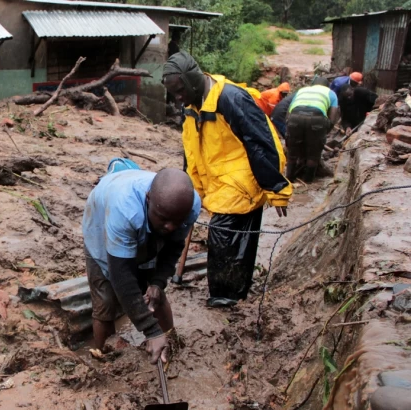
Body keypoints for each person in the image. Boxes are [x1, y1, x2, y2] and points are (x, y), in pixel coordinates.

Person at [162, 51, 292, 307]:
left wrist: (276, 188)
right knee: (236, 245)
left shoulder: (231, 98)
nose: (178, 98)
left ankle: (225, 299)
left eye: (180, 91)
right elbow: (191, 149)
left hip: (242, 181)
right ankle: (235, 293)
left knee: (223, 236)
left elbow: (262, 143)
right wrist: (192, 187)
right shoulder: (190, 105)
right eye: (173, 93)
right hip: (217, 182)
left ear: (192, 80)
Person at [82, 164, 201, 364]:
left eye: (176, 221)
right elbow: (122, 277)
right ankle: (106, 360)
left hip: (144, 219)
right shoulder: (125, 211)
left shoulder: (188, 207)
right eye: (164, 219)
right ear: (148, 199)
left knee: (155, 296)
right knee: (106, 300)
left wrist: (157, 282)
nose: (171, 226)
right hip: (102, 221)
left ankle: (168, 346)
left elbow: (173, 247)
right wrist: (151, 331)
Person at [285, 77, 340, 182]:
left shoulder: (302, 90)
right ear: (326, 86)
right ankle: (308, 181)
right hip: (317, 119)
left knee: (292, 153)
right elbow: (333, 118)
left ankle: (289, 179)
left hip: (295, 117)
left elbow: (289, 112)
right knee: (313, 155)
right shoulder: (331, 93)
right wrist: (323, 133)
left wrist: (290, 128)